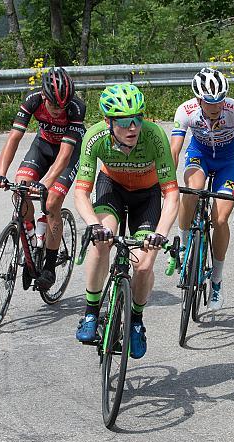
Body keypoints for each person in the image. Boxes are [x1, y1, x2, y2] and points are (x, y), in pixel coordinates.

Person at [74, 84, 179, 359]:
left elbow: (171, 192)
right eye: (123, 121)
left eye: (138, 118)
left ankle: (136, 321)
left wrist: (162, 232)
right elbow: (82, 192)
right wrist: (91, 224)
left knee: (144, 264)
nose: (133, 127)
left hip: (147, 196)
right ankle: (91, 312)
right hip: (113, 189)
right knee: (102, 241)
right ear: (108, 122)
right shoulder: (95, 137)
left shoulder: (155, 137)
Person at [0, 67, 86, 290]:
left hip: (67, 154)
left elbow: (64, 155)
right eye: (53, 105)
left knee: (52, 202)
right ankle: (33, 240)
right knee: (19, 189)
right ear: (44, 96)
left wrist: (45, 183)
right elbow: (14, 138)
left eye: (62, 105)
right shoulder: (33, 100)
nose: (58, 110)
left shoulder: (76, 108)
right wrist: (0, 173)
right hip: (42, 148)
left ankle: (50, 267)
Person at [170, 67, 234, 311]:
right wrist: (167, 181)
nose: (216, 106)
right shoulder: (186, 111)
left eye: (220, 100)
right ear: (198, 99)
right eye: (210, 102)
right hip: (200, 155)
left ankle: (216, 281)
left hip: (227, 162)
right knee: (193, 189)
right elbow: (174, 150)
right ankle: (185, 245)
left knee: (220, 219)